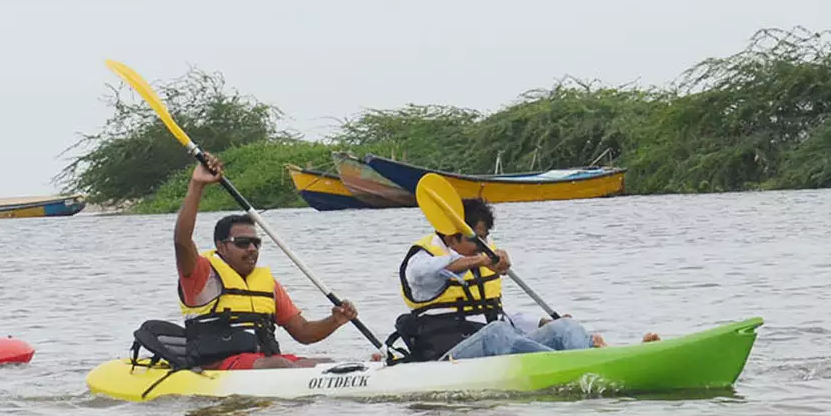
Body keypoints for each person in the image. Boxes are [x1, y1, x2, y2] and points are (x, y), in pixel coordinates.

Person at [172, 154, 357, 368]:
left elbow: (303, 333)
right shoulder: (201, 274)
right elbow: (182, 240)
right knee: (279, 365)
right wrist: (197, 185)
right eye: (242, 243)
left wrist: (335, 320)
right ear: (221, 246)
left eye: (256, 243)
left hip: (263, 361)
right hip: (218, 365)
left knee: (328, 364)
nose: (252, 249)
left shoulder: (268, 284)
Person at [393, 198, 612, 361]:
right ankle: (571, 365)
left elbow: (496, 314)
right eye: (477, 239)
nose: (483, 245)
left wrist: (543, 323)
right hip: (447, 356)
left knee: (565, 327)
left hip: (494, 343)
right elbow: (426, 271)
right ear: (451, 238)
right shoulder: (422, 259)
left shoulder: (477, 258)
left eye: (485, 238)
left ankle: (594, 359)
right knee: (497, 332)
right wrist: (481, 260)